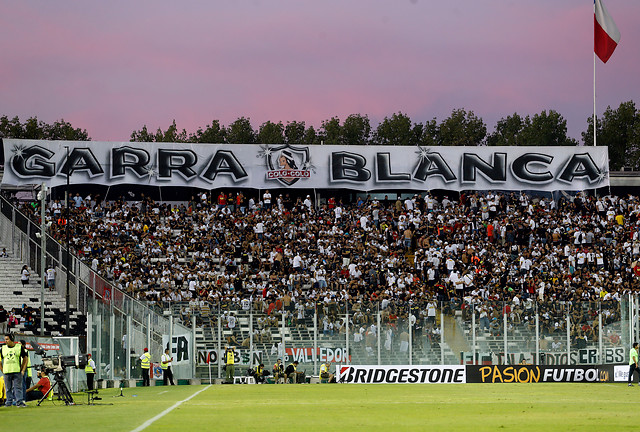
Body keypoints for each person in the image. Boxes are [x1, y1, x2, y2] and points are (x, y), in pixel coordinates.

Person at [0, 333, 28, 407]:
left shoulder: (19, 347)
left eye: (7, 339)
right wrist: (2, 370)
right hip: (7, 372)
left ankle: (19, 402)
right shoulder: (3, 348)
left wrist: (23, 370)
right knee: (8, 389)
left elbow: (25, 358)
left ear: (12, 339)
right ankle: (8, 402)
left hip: (17, 371)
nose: (5, 341)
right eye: (5, 339)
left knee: (18, 388)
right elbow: (0, 360)